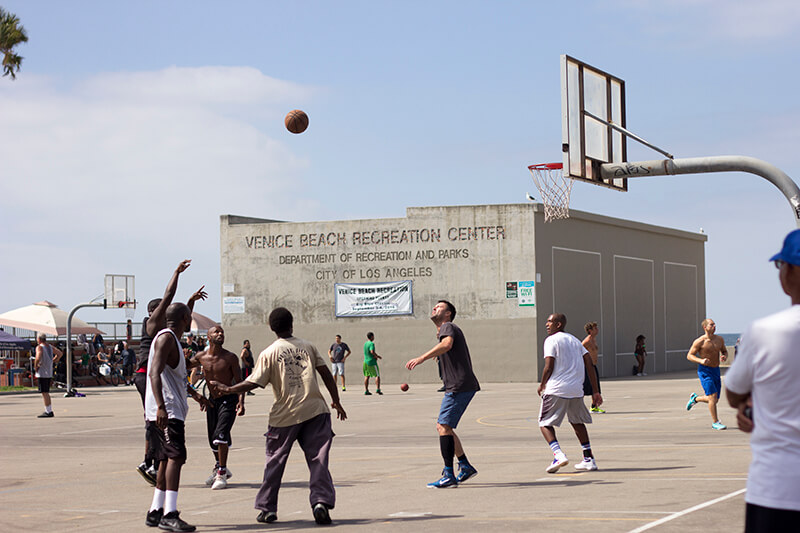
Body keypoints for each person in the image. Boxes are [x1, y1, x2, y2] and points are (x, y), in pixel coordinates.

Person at [208, 307, 346, 525]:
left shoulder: (269, 352)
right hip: (315, 410)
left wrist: (228, 389)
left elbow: (253, 382)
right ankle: (320, 502)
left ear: (272, 328)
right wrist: (336, 400)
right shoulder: (308, 346)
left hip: (285, 415)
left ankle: (267, 509)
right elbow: (326, 373)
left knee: (275, 462)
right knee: (318, 460)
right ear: (292, 324)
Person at [726, 230, 800, 530]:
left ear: (792, 270)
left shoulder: (766, 331)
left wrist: (749, 404)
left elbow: (733, 392)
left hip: (777, 490)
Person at [134, 260, 207, 486]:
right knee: (156, 419)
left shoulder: (171, 331)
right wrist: (176, 273)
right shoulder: (154, 327)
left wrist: (190, 303)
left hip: (154, 375)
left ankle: (155, 472)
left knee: (157, 422)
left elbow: (180, 318)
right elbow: (168, 297)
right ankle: (149, 462)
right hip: (148, 373)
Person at [144, 302, 211, 532]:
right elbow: (154, 372)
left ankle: (155, 511)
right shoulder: (166, 338)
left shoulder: (173, 340)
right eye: (189, 316)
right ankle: (170, 514)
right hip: (167, 412)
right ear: (185, 318)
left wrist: (196, 396)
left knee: (165, 460)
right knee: (176, 457)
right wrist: (161, 407)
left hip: (170, 410)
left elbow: (178, 378)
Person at [405, 300, 480, 488]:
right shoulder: (444, 330)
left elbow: (447, 344)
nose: (434, 308)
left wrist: (422, 357)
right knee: (445, 426)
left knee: (443, 426)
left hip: (459, 386)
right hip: (459, 385)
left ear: (448, 314)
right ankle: (464, 465)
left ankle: (449, 474)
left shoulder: (448, 326)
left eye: (439, 307)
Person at [538, 313, 602, 473]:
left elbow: (549, 365)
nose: (547, 324)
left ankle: (558, 454)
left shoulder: (551, 340)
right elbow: (589, 363)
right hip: (575, 390)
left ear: (558, 324)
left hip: (557, 388)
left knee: (544, 423)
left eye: (550, 321)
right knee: (577, 421)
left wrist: (542, 384)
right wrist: (595, 391)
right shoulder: (574, 340)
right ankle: (589, 459)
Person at [189, 325, 245, 490]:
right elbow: (179, 368)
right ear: (208, 336)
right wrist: (194, 393)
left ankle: (221, 473)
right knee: (213, 439)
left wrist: (241, 401)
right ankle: (219, 467)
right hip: (212, 401)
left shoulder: (230, 357)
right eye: (216, 332)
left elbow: (240, 381)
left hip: (229, 399)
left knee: (221, 435)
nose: (220, 334)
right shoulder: (201, 357)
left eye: (222, 332)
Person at [685, 318, 728, 430]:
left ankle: (695, 399)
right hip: (705, 371)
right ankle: (715, 422)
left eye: (714, 324)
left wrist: (724, 356)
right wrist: (701, 361)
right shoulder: (700, 341)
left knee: (714, 399)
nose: (714, 326)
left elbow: (724, 350)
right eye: (711, 325)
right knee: (712, 398)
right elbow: (689, 355)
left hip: (716, 370)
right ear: (705, 327)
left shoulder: (719, 339)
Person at [34, 333, 62, 418]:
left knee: (44, 392)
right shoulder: (50, 347)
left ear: (39, 339)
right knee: (46, 392)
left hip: (42, 372)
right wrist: (53, 361)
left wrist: (36, 366)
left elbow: (38, 357)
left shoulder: (39, 347)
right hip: (49, 371)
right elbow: (60, 353)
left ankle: (48, 411)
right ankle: (48, 409)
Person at [582, 322, 605, 413]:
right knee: (584, 387)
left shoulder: (593, 340)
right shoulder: (586, 341)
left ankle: (594, 406)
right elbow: (579, 352)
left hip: (593, 366)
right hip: (587, 367)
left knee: (595, 387)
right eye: (595, 328)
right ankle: (576, 405)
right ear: (590, 331)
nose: (597, 330)